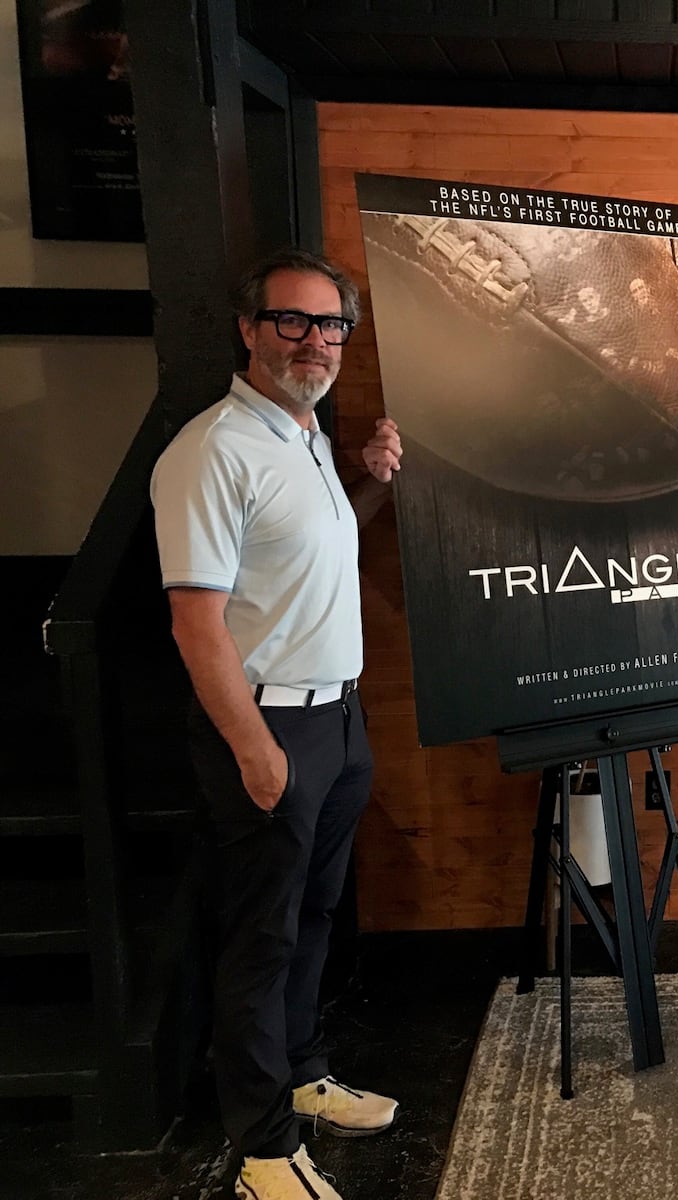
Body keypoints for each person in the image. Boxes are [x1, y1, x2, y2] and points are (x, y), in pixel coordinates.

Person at [150, 248, 404, 1200]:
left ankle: (301, 1074)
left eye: (331, 324)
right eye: (292, 322)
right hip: (267, 731)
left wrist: (371, 484)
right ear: (249, 330)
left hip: (337, 721)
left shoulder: (302, 438)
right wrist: (254, 750)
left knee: (312, 917)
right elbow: (195, 619)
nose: (314, 340)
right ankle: (261, 1148)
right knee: (261, 937)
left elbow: (317, 558)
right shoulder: (212, 450)